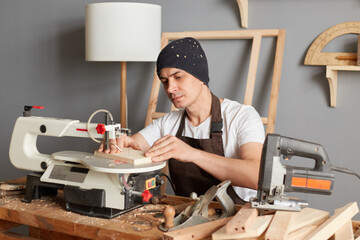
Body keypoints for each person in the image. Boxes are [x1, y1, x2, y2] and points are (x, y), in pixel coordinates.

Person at [98, 37, 265, 203]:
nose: (170, 88)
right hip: (185, 218)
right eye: (165, 81)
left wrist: (192, 154)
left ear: (200, 77)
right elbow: (132, 147)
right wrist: (119, 146)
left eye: (178, 77)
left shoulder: (242, 116)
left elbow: (257, 176)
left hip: (236, 219)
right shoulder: (168, 123)